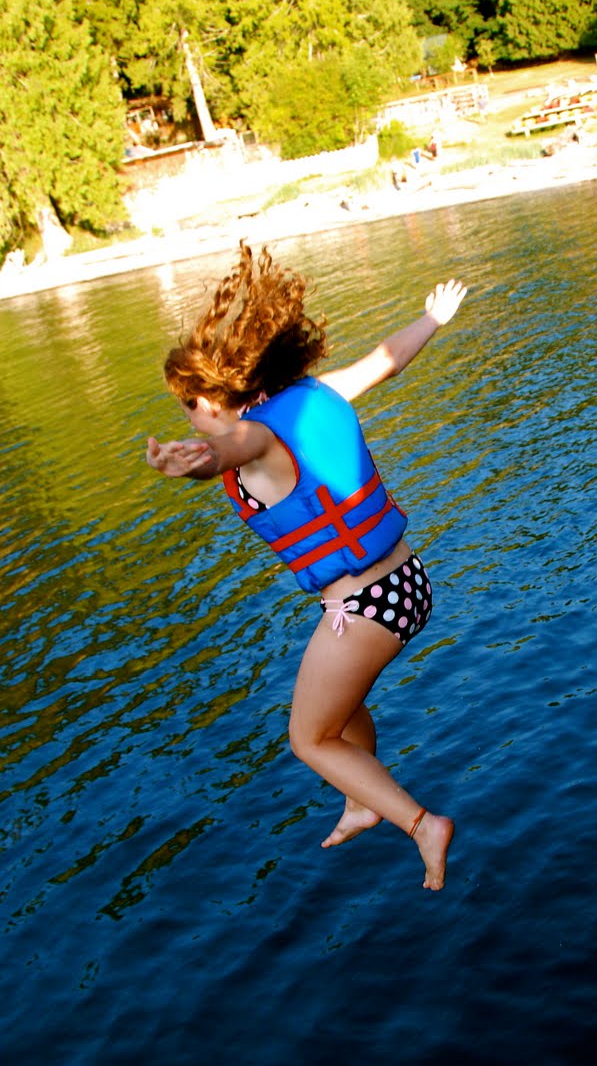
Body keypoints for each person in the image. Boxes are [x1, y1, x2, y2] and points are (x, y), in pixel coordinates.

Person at [147, 245, 468, 890]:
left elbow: (229, 450)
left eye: (189, 403)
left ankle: (420, 824)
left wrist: (196, 460)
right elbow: (385, 360)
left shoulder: (251, 436)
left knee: (307, 739)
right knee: (338, 717)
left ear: (217, 400)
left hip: (367, 603)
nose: (185, 413)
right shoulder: (314, 395)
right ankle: (359, 800)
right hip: (406, 585)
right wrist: (431, 320)